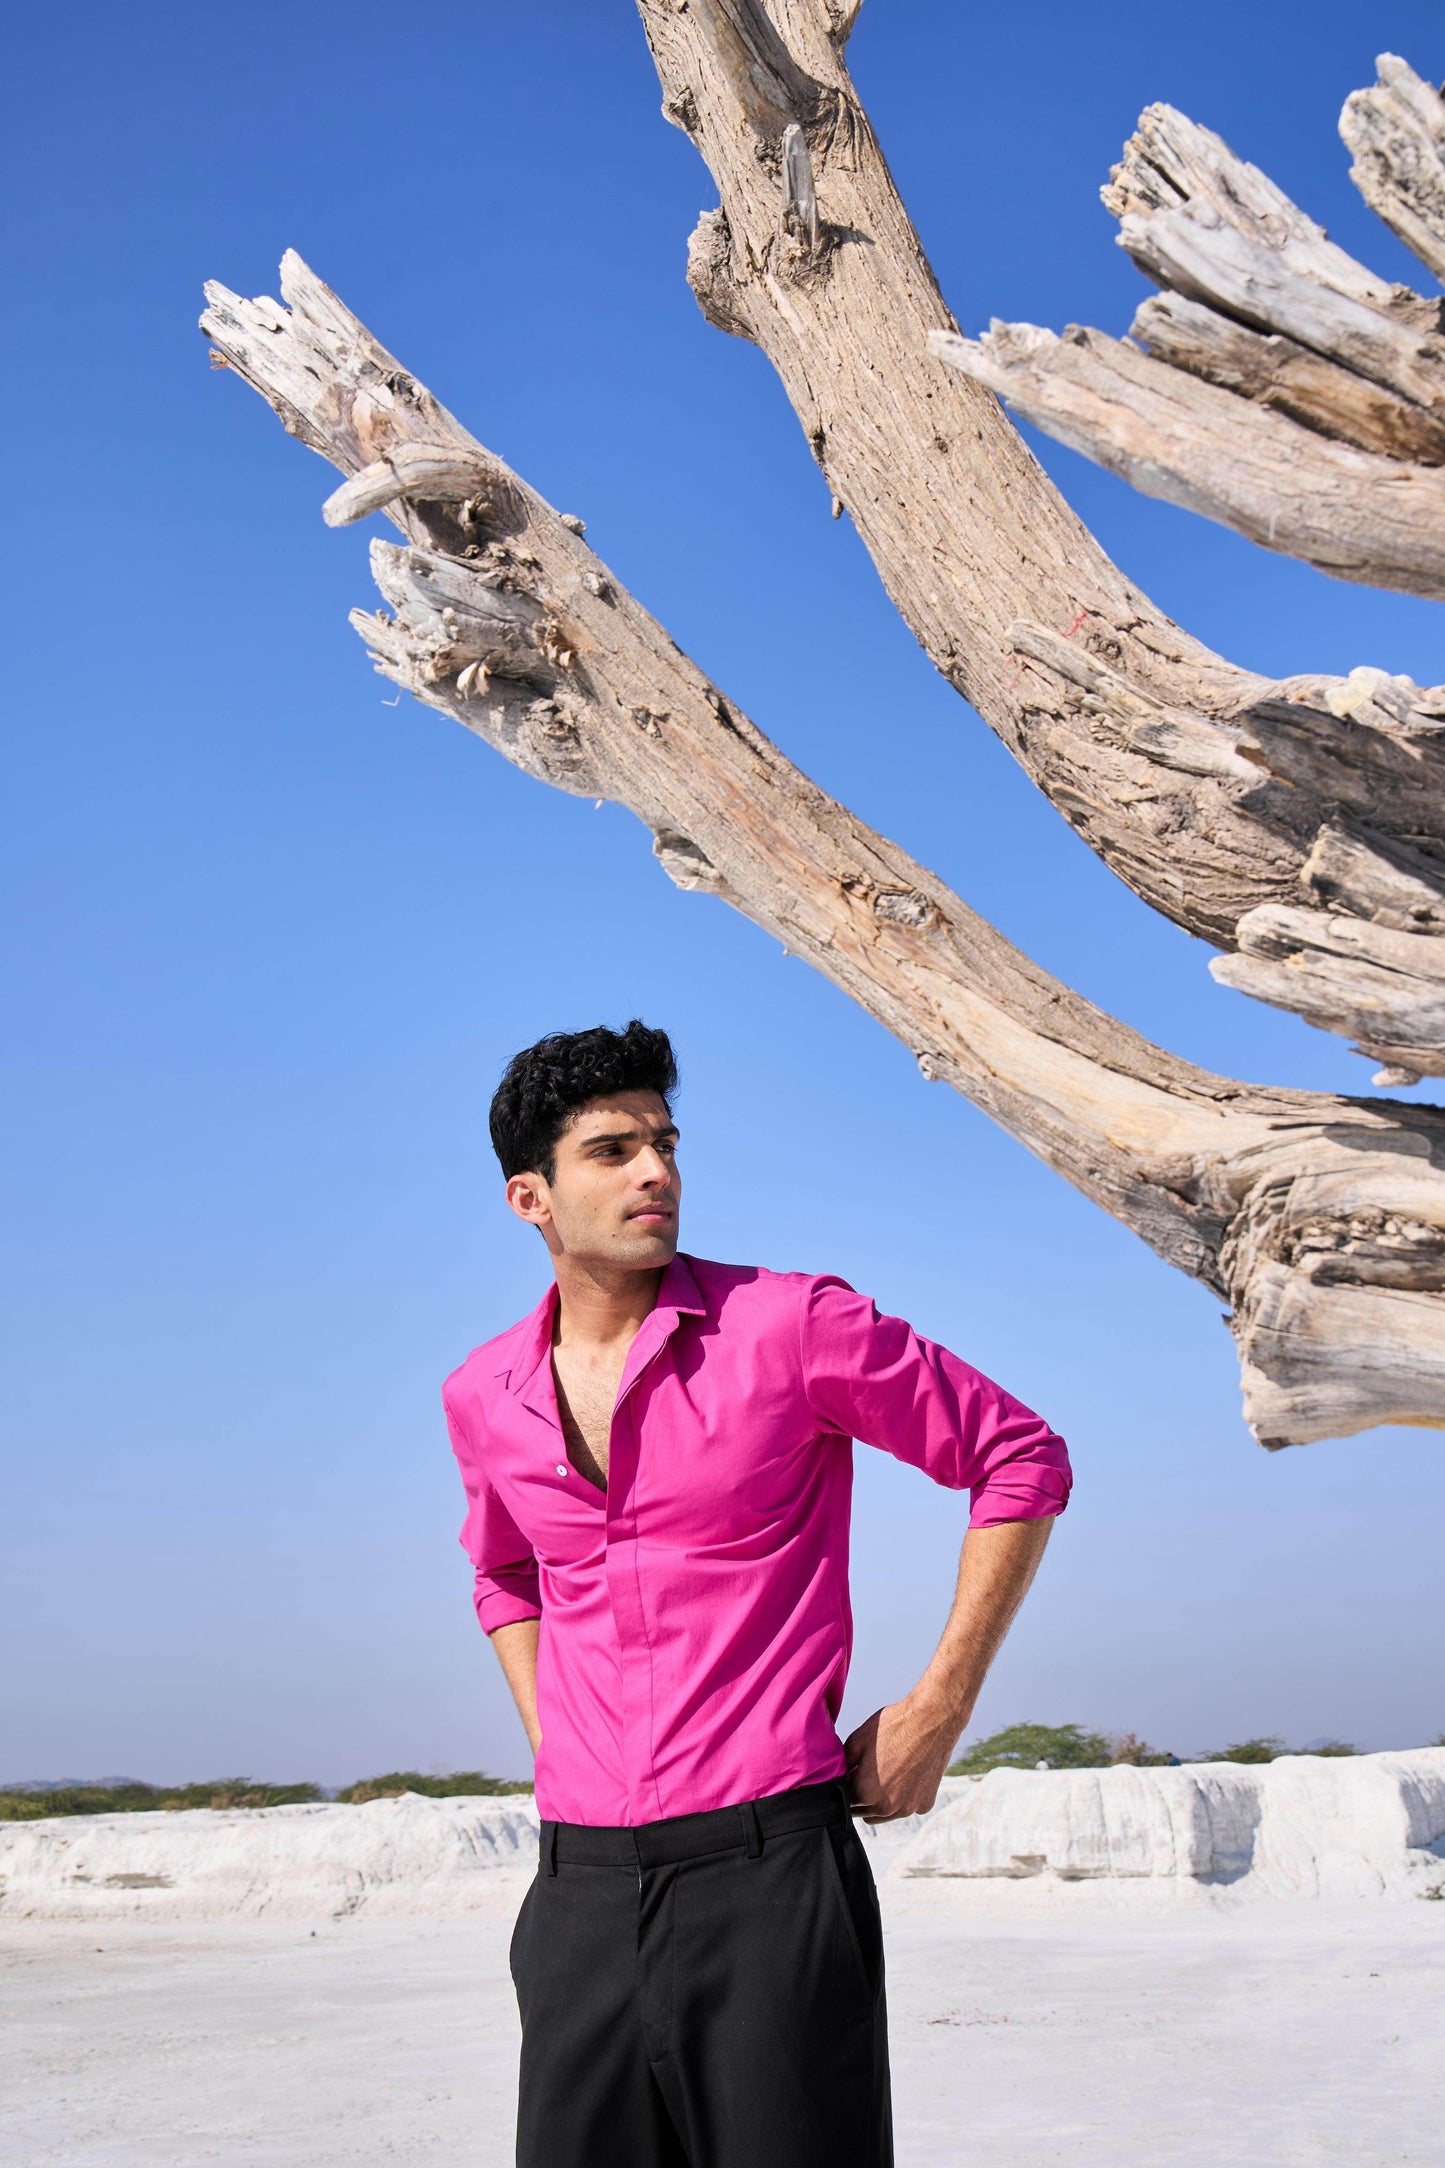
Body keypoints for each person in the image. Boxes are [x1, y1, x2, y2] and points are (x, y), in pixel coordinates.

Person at [443, 1021, 1071, 2168]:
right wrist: (551, 1734)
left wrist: (938, 1705)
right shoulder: (482, 1391)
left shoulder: (789, 1325)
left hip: (768, 1873)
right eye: (612, 1150)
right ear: (529, 1197)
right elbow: (504, 1572)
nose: (655, 1171)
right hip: (577, 1892)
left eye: (666, 1142)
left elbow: (1017, 1457)